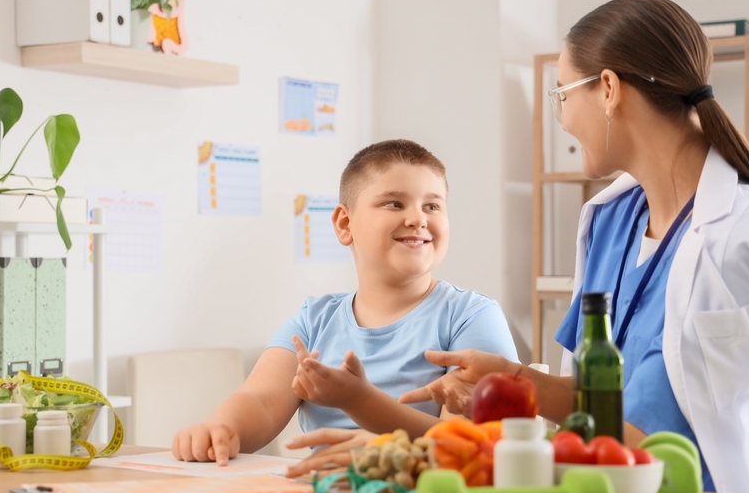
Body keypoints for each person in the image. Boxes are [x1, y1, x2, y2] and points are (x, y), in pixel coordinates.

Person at [397, 0, 749, 493]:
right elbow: (601, 406)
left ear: (610, 90)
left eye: (563, 96)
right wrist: (513, 381)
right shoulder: (606, 220)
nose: (563, 118)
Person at [171, 139, 518, 466]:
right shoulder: (314, 320)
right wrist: (222, 429)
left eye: (432, 205)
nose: (418, 218)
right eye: (394, 203)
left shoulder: (472, 317)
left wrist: (359, 400)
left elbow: (468, 447)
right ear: (344, 223)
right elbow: (260, 400)